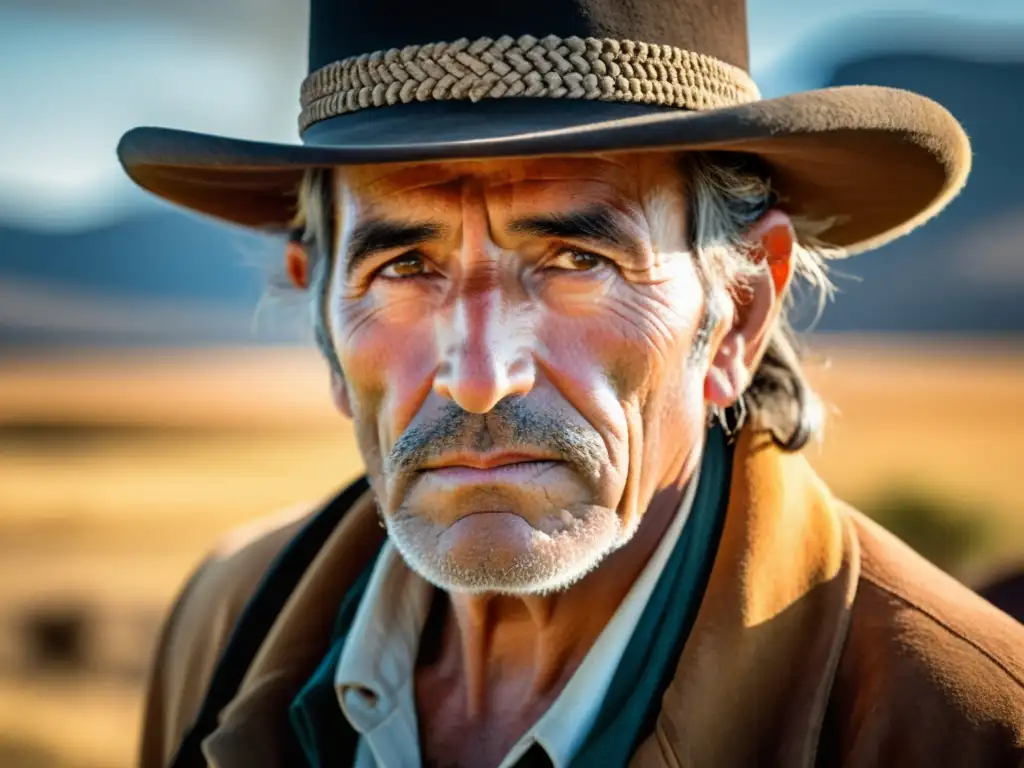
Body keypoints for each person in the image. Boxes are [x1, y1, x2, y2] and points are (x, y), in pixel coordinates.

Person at [118, 0, 1024, 765]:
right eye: (402, 268)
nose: (478, 379)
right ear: (321, 314)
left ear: (740, 310)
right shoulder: (228, 618)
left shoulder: (966, 723)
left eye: (573, 258)